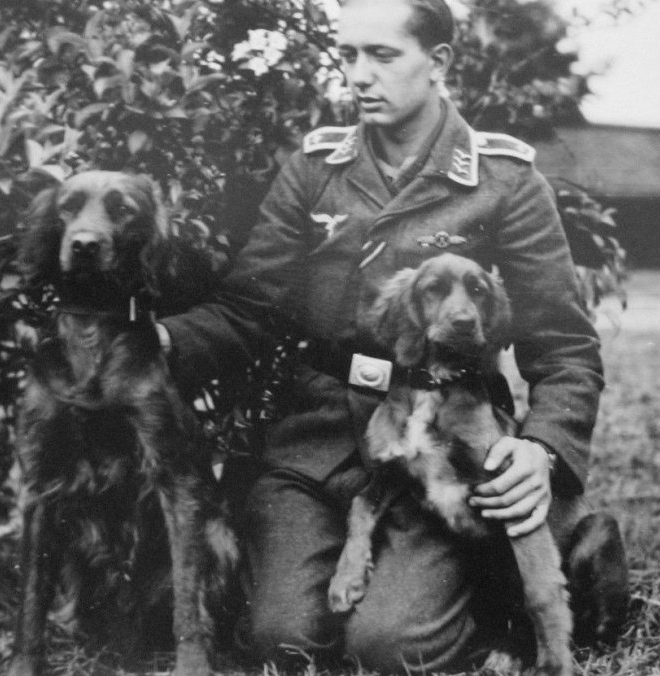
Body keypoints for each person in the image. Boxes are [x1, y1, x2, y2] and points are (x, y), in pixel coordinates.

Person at [157, 0, 609, 669]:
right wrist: (160, 341)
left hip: (442, 449)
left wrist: (541, 450)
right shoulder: (315, 169)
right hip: (316, 441)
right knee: (280, 637)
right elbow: (246, 308)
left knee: (392, 646)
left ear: (439, 60)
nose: (359, 75)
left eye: (383, 54)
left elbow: (565, 348)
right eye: (348, 55)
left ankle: (501, 603)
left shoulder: (503, 180)